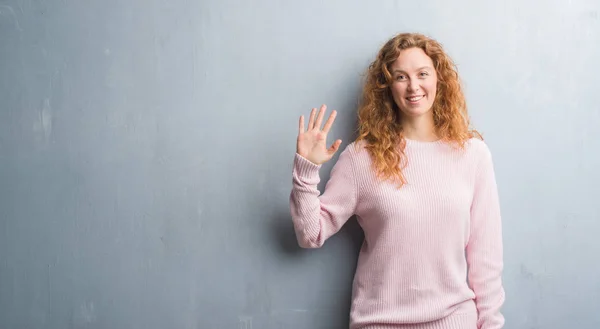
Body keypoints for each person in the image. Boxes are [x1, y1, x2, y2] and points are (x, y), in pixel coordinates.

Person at [289, 32, 505, 329]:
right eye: (401, 77)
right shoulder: (361, 158)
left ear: (439, 79)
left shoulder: (473, 155)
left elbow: (486, 260)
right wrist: (307, 168)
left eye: (422, 74)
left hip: (455, 321)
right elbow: (310, 234)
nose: (414, 86)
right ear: (387, 87)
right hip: (379, 322)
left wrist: (491, 325)